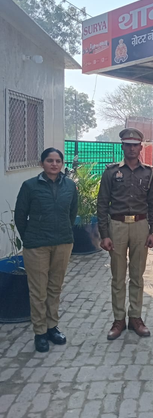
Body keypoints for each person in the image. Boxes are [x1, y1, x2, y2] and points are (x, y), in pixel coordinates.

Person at [97, 128, 153, 341]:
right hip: (117, 226)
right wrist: (104, 234)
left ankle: (135, 318)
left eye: (135, 145)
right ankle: (118, 320)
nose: (132, 149)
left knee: (137, 275)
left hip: (141, 226)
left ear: (141, 147)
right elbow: (102, 203)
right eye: (128, 145)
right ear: (122, 146)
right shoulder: (111, 172)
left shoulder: (149, 172)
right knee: (118, 276)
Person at [14, 147, 78, 353]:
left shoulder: (70, 186)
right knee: (38, 291)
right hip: (37, 245)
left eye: (58, 161)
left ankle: (52, 327)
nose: (54, 164)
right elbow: (20, 216)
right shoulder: (30, 186)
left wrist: (64, 231)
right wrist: (29, 238)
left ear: (62, 164)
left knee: (55, 288)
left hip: (62, 243)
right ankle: (40, 332)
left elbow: (72, 213)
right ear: (42, 163)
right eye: (50, 160)